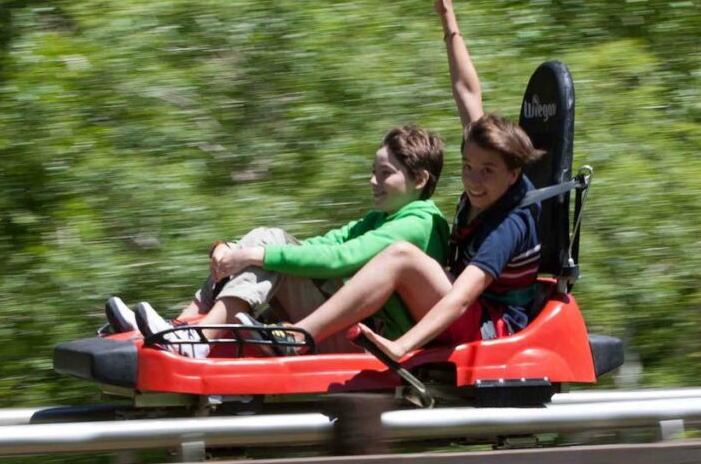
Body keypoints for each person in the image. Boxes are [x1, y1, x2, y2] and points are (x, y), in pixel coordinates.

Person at [276, 0, 544, 360]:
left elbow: (460, 298)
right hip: (463, 304)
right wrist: (448, 17)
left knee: (402, 254)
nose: (473, 180)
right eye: (468, 167)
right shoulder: (487, 169)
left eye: (487, 172)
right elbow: (467, 91)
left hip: (492, 330)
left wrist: (402, 346)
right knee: (385, 253)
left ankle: (300, 336)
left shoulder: (509, 221)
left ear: (513, 173)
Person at [107, 124, 448, 354]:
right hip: (349, 325)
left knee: (267, 247)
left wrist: (257, 255)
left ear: (419, 179)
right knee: (269, 242)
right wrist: (241, 249)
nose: (373, 181)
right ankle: (179, 329)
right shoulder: (382, 218)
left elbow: (342, 259)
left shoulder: (419, 223)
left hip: (372, 340)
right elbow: (324, 245)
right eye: (373, 172)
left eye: (384, 174)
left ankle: (196, 339)